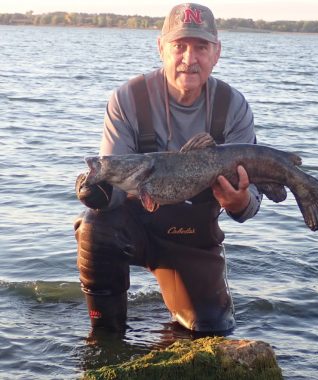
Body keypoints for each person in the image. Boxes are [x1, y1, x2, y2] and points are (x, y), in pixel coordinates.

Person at [74, 3, 262, 335]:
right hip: (135, 228)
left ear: (216, 52)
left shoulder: (232, 106)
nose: (190, 58)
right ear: (161, 48)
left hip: (193, 239)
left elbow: (251, 204)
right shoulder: (127, 99)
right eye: (180, 46)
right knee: (94, 226)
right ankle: (105, 338)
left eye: (201, 47)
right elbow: (114, 183)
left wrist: (240, 202)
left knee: (210, 329)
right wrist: (101, 194)